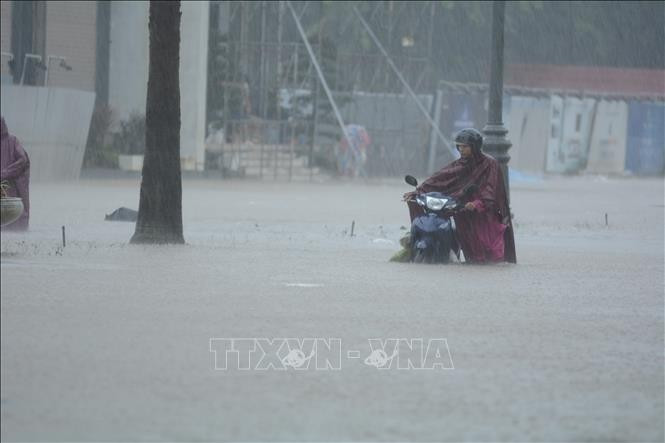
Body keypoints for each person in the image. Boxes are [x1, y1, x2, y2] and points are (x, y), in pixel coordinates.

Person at [402, 128, 516, 263]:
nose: (461, 150)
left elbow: (490, 190)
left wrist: (476, 204)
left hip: (484, 216)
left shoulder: (490, 164)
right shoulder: (459, 165)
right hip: (463, 212)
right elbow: (440, 179)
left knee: (489, 253)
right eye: (459, 146)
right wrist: (419, 191)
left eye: (465, 146)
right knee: (472, 254)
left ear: (475, 147)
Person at [1, 116, 30, 230]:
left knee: (12, 218)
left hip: (11, 188)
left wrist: (5, 173)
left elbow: (23, 160)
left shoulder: (12, 141)